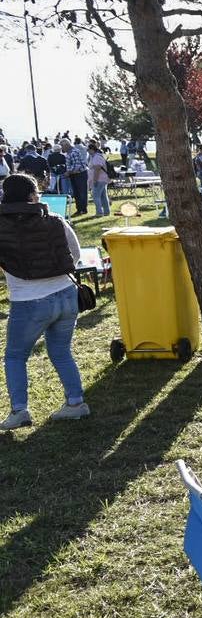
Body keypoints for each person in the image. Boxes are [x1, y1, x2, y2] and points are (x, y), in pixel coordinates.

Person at [0, 174, 88, 430]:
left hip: (28, 299)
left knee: (15, 356)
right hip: (65, 293)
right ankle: (76, 402)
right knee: (61, 351)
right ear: (31, 196)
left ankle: (19, 410)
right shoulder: (55, 220)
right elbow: (76, 254)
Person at [65, 138, 88, 216]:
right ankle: (79, 209)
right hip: (74, 174)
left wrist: (68, 172)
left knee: (82, 192)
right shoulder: (69, 152)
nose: (62, 148)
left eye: (62, 146)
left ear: (66, 145)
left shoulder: (74, 152)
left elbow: (77, 165)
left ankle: (83, 209)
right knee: (76, 193)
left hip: (80, 174)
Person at [88, 143, 112, 217]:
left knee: (96, 196)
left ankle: (99, 212)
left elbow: (97, 169)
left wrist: (95, 180)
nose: (87, 151)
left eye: (88, 149)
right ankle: (106, 212)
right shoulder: (97, 156)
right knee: (103, 196)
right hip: (103, 179)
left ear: (92, 150)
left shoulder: (96, 157)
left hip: (99, 179)